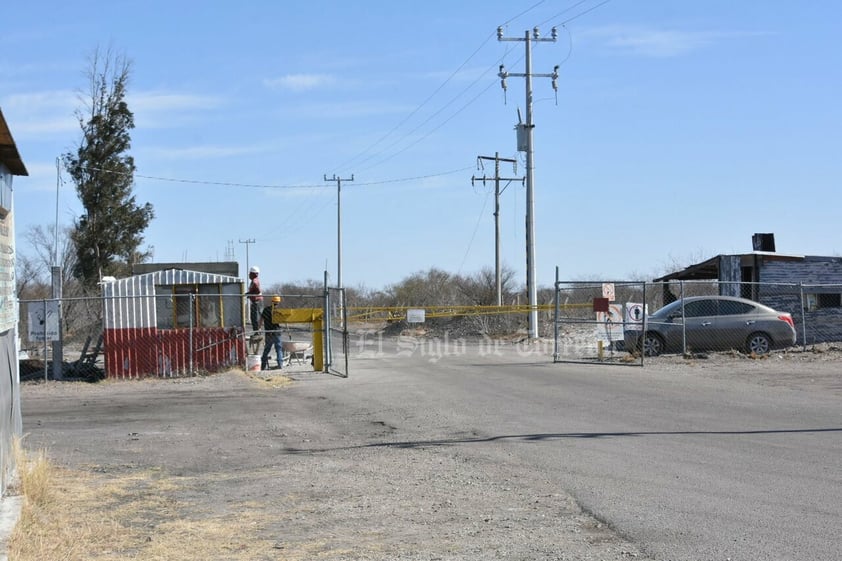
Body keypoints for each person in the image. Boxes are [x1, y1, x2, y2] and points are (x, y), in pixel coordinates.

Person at [261, 295, 284, 370]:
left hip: (269, 332)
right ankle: (280, 364)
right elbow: (283, 320)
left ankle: (263, 365)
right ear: (278, 302)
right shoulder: (278, 311)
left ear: (272, 301)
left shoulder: (266, 310)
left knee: (267, 349)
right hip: (277, 332)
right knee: (279, 349)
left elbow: (260, 320)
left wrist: (258, 329)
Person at [247, 266, 263, 333]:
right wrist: (249, 293)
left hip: (257, 301)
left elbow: (258, 291)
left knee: (255, 317)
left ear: (254, 274)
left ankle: (257, 332)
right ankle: (257, 331)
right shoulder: (253, 281)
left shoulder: (255, 281)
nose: (249, 275)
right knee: (254, 317)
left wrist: (250, 293)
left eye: (250, 273)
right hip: (255, 301)